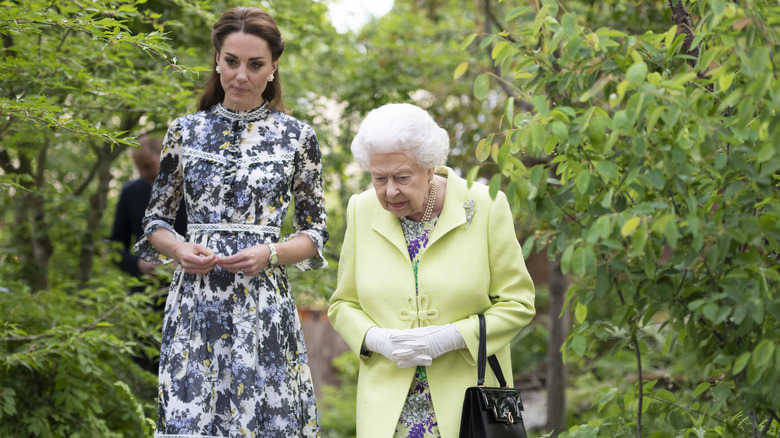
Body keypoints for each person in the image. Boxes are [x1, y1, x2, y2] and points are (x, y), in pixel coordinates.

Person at [133, 7, 328, 437]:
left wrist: (272, 252)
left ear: (273, 67)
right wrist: (181, 248)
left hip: (263, 307)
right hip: (196, 306)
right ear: (217, 61)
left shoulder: (298, 137)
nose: (241, 75)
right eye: (232, 61)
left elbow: (315, 233)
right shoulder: (184, 132)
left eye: (255, 64)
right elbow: (156, 224)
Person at [328, 103, 536, 438]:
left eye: (402, 177)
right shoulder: (361, 209)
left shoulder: (485, 205)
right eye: (379, 178)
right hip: (388, 414)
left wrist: (452, 337)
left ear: (430, 168)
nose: (390, 191)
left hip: (472, 406)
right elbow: (343, 305)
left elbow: (519, 303)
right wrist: (375, 339)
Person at [109, 135, 186, 280]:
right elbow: (115, 247)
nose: (143, 174)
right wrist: (139, 264)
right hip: (145, 291)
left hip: (191, 284)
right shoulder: (130, 193)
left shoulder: (193, 190)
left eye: (148, 166)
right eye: (139, 167)